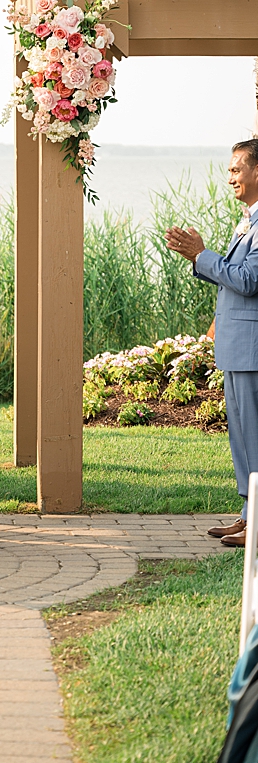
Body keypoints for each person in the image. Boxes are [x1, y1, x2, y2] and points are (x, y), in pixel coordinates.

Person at [167, 138, 258, 548]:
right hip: (238, 345)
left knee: (253, 436)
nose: (230, 177)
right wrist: (198, 259)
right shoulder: (248, 220)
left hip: (252, 348)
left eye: (237, 169)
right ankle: (248, 515)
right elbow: (236, 273)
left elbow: (249, 280)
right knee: (241, 437)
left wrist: (203, 255)